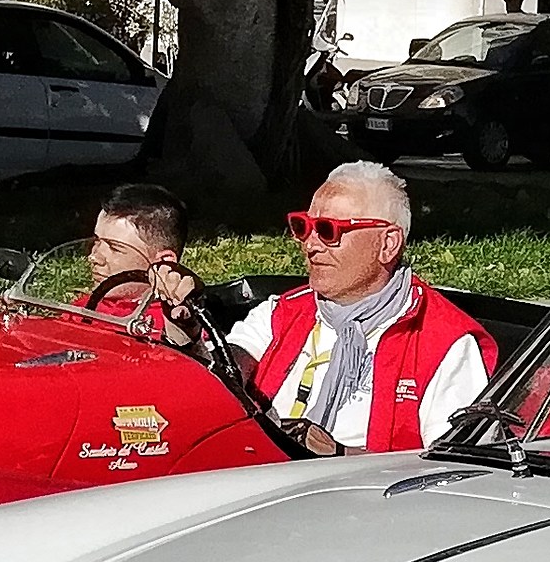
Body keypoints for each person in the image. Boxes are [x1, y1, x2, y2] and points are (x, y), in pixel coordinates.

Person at [162, 161, 495, 456]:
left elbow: (457, 473)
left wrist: (337, 454)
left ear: (388, 243)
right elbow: (226, 372)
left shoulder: (445, 342)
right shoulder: (283, 312)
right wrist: (188, 332)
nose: (310, 245)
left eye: (328, 231)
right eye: (303, 227)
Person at [78, 182, 195, 343]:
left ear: (163, 263)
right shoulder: (85, 306)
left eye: (115, 248)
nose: (94, 257)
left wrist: (181, 331)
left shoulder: (174, 326)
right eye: (97, 241)